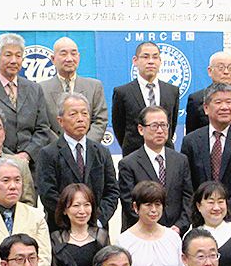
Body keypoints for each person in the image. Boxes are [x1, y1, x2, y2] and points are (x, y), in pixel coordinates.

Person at [180, 83, 231, 234]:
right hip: (201, 217)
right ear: (206, 108)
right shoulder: (191, 140)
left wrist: (224, 206)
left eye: (229, 102)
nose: (225, 107)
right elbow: (187, 180)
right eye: (218, 102)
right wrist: (205, 206)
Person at [35, 92, 119, 231]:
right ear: (60, 121)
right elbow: (47, 194)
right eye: (73, 114)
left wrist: (97, 219)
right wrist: (72, 218)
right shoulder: (48, 153)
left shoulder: (101, 152)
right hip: (61, 229)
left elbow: (112, 191)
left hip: (97, 229)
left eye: (84, 113)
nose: (80, 119)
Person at [0, 32, 53, 165]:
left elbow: (43, 129)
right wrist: (11, 158)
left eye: (18, 56)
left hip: (31, 165)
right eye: (8, 55)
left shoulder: (34, 89)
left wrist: (27, 154)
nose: (13, 60)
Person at [117, 105, 192, 232]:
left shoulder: (180, 160)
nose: (160, 130)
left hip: (175, 232)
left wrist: (180, 226)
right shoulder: (128, 164)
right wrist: (155, 229)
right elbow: (129, 204)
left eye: (164, 125)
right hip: (142, 233)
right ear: (141, 129)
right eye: (154, 126)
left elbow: (188, 197)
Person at [117, 181, 184, 266]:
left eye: (158, 204)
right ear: (136, 207)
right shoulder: (124, 241)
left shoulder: (173, 238)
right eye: (148, 205)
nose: (153, 210)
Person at [112, 41, 181, 155]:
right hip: (133, 156)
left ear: (160, 61)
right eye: (145, 57)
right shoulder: (123, 92)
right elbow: (119, 128)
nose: (151, 61)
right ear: (135, 60)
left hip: (165, 155)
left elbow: (171, 125)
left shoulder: (172, 91)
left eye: (155, 57)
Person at [48, 183, 110, 266]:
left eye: (87, 205)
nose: (82, 211)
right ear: (64, 210)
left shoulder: (102, 236)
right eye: (76, 205)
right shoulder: (55, 239)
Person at [39, 37, 108, 143]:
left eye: (73, 54)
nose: (69, 59)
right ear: (53, 59)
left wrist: (84, 145)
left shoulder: (94, 86)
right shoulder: (41, 89)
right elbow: (42, 124)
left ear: (78, 57)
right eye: (63, 54)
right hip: (54, 150)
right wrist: (62, 147)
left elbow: (100, 120)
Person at [184, 51, 231, 134]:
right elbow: (192, 135)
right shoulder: (196, 99)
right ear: (210, 71)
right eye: (221, 67)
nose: (226, 72)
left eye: (230, 68)